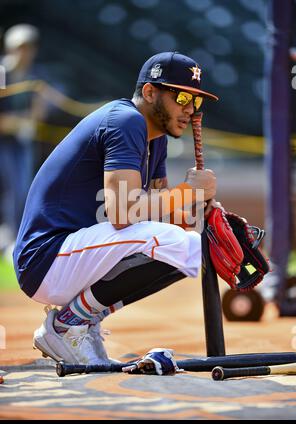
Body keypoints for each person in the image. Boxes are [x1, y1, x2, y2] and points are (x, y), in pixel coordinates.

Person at [13, 51, 218, 365]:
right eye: (181, 97)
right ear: (149, 92)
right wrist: (187, 191)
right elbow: (124, 212)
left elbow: (160, 216)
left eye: (196, 102)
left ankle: (78, 318)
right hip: (46, 257)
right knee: (187, 247)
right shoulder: (126, 121)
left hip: (76, 253)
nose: (190, 110)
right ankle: (69, 323)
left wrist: (200, 209)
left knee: (192, 245)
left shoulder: (157, 137)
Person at [0, 24, 41, 257]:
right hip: (3, 141)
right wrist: (16, 122)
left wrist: (30, 121)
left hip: (21, 142)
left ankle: (16, 238)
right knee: (12, 188)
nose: (24, 52)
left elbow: (37, 108)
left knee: (22, 189)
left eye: (29, 47)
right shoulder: (1, 72)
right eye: (20, 47)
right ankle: (9, 237)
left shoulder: (33, 76)